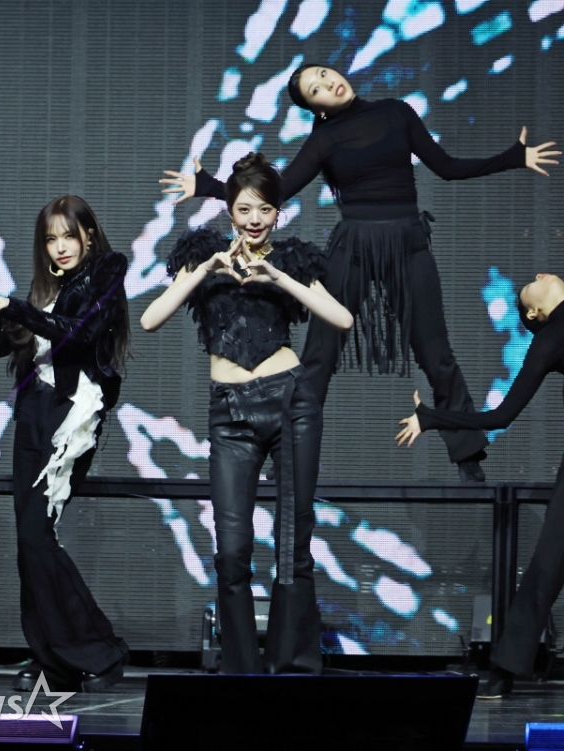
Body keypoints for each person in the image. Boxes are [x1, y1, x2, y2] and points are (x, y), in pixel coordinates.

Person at [162, 63, 558, 481]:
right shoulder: (325, 138)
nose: (328, 83)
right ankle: (288, 454)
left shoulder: (396, 112)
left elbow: (447, 167)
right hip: (353, 248)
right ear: (316, 108)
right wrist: (209, 186)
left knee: (436, 352)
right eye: (315, 89)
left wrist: (513, 157)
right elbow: (276, 192)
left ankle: (468, 455)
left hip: (406, 243)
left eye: (323, 74)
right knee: (320, 353)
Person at [144, 154, 353, 674]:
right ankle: (241, 672)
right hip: (230, 414)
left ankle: (292, 668)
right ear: (229, 210)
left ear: (278, 213)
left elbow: (342, 317)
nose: (255, 219)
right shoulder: (203, 253)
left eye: (265, 209)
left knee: (292, 544)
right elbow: (150, 319)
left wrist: (278, 276)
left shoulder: (290, 259)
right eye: (244, 208)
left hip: (290, 403)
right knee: (232, 550)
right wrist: (207, 270)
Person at [0, 195, 130, 692]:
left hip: (74, 411)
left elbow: (81, 335)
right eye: (50, 239)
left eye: (68, 236)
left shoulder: (107, 270)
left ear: (88, 235)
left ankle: (101, 650)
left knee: (37, 534)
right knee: (28, 540)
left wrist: (19, 308)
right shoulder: (46, 290)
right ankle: (52, 661)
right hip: (34, 411)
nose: (60, 247)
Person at [396, 272, 564, 698]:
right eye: (529, 287)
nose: (538, 275)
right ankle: (505, 669)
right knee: (548, 566)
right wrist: (433, 418)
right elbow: (500, 416)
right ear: (534, 312)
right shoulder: (549, 339)